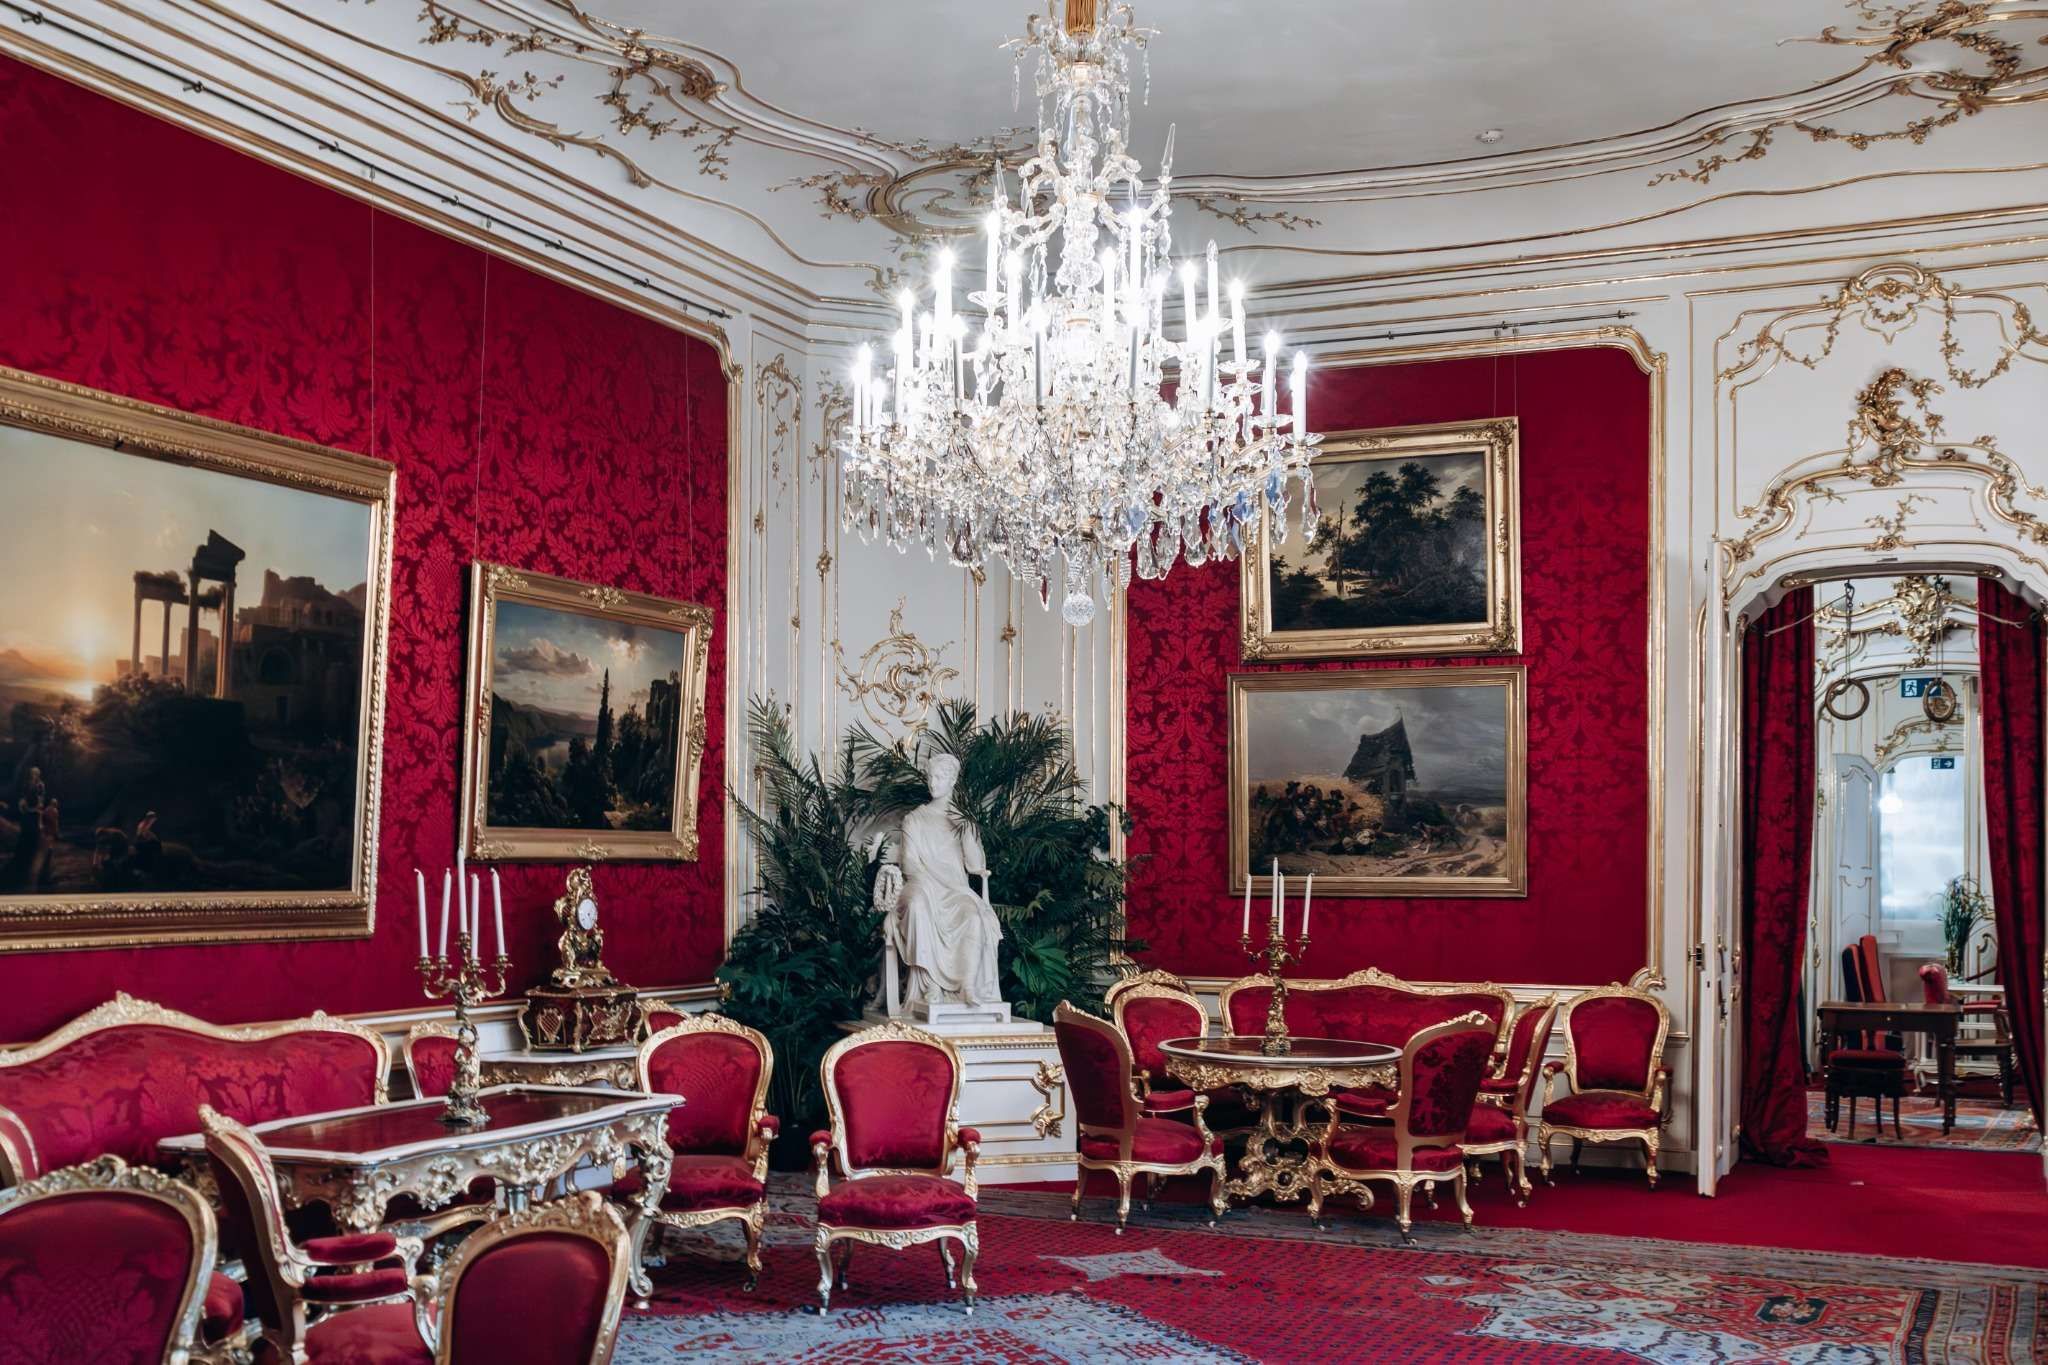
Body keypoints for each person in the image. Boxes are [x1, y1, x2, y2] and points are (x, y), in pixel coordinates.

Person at [873, 753, 1004, 1009]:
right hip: (922, 885)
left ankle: (967, 986)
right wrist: (936, 880)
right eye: (931, 776)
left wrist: (967, 831)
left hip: (956, 891)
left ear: (953, 780)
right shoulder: (914, 819)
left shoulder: (963, 822)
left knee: (974, 917)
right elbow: (910, 865)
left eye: (940, 777)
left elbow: (975, 866)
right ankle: (930, 985)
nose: (933, 782)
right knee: (919, 906)